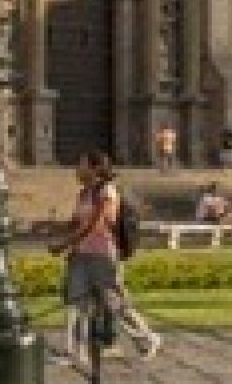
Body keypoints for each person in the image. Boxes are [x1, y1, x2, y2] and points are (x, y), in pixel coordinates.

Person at [51, 151, 159, 367]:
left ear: (95, 168)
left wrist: (64, 244)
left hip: (103, 255)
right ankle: (75, 352)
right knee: (76, 303)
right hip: (81, 255)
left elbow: (96, 224)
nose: (77, 170)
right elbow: (76, 222)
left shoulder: (107, 192)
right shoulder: (83, 194)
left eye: (81, 165)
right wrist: (53, 228)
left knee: (115, 303)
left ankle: (147, 338)